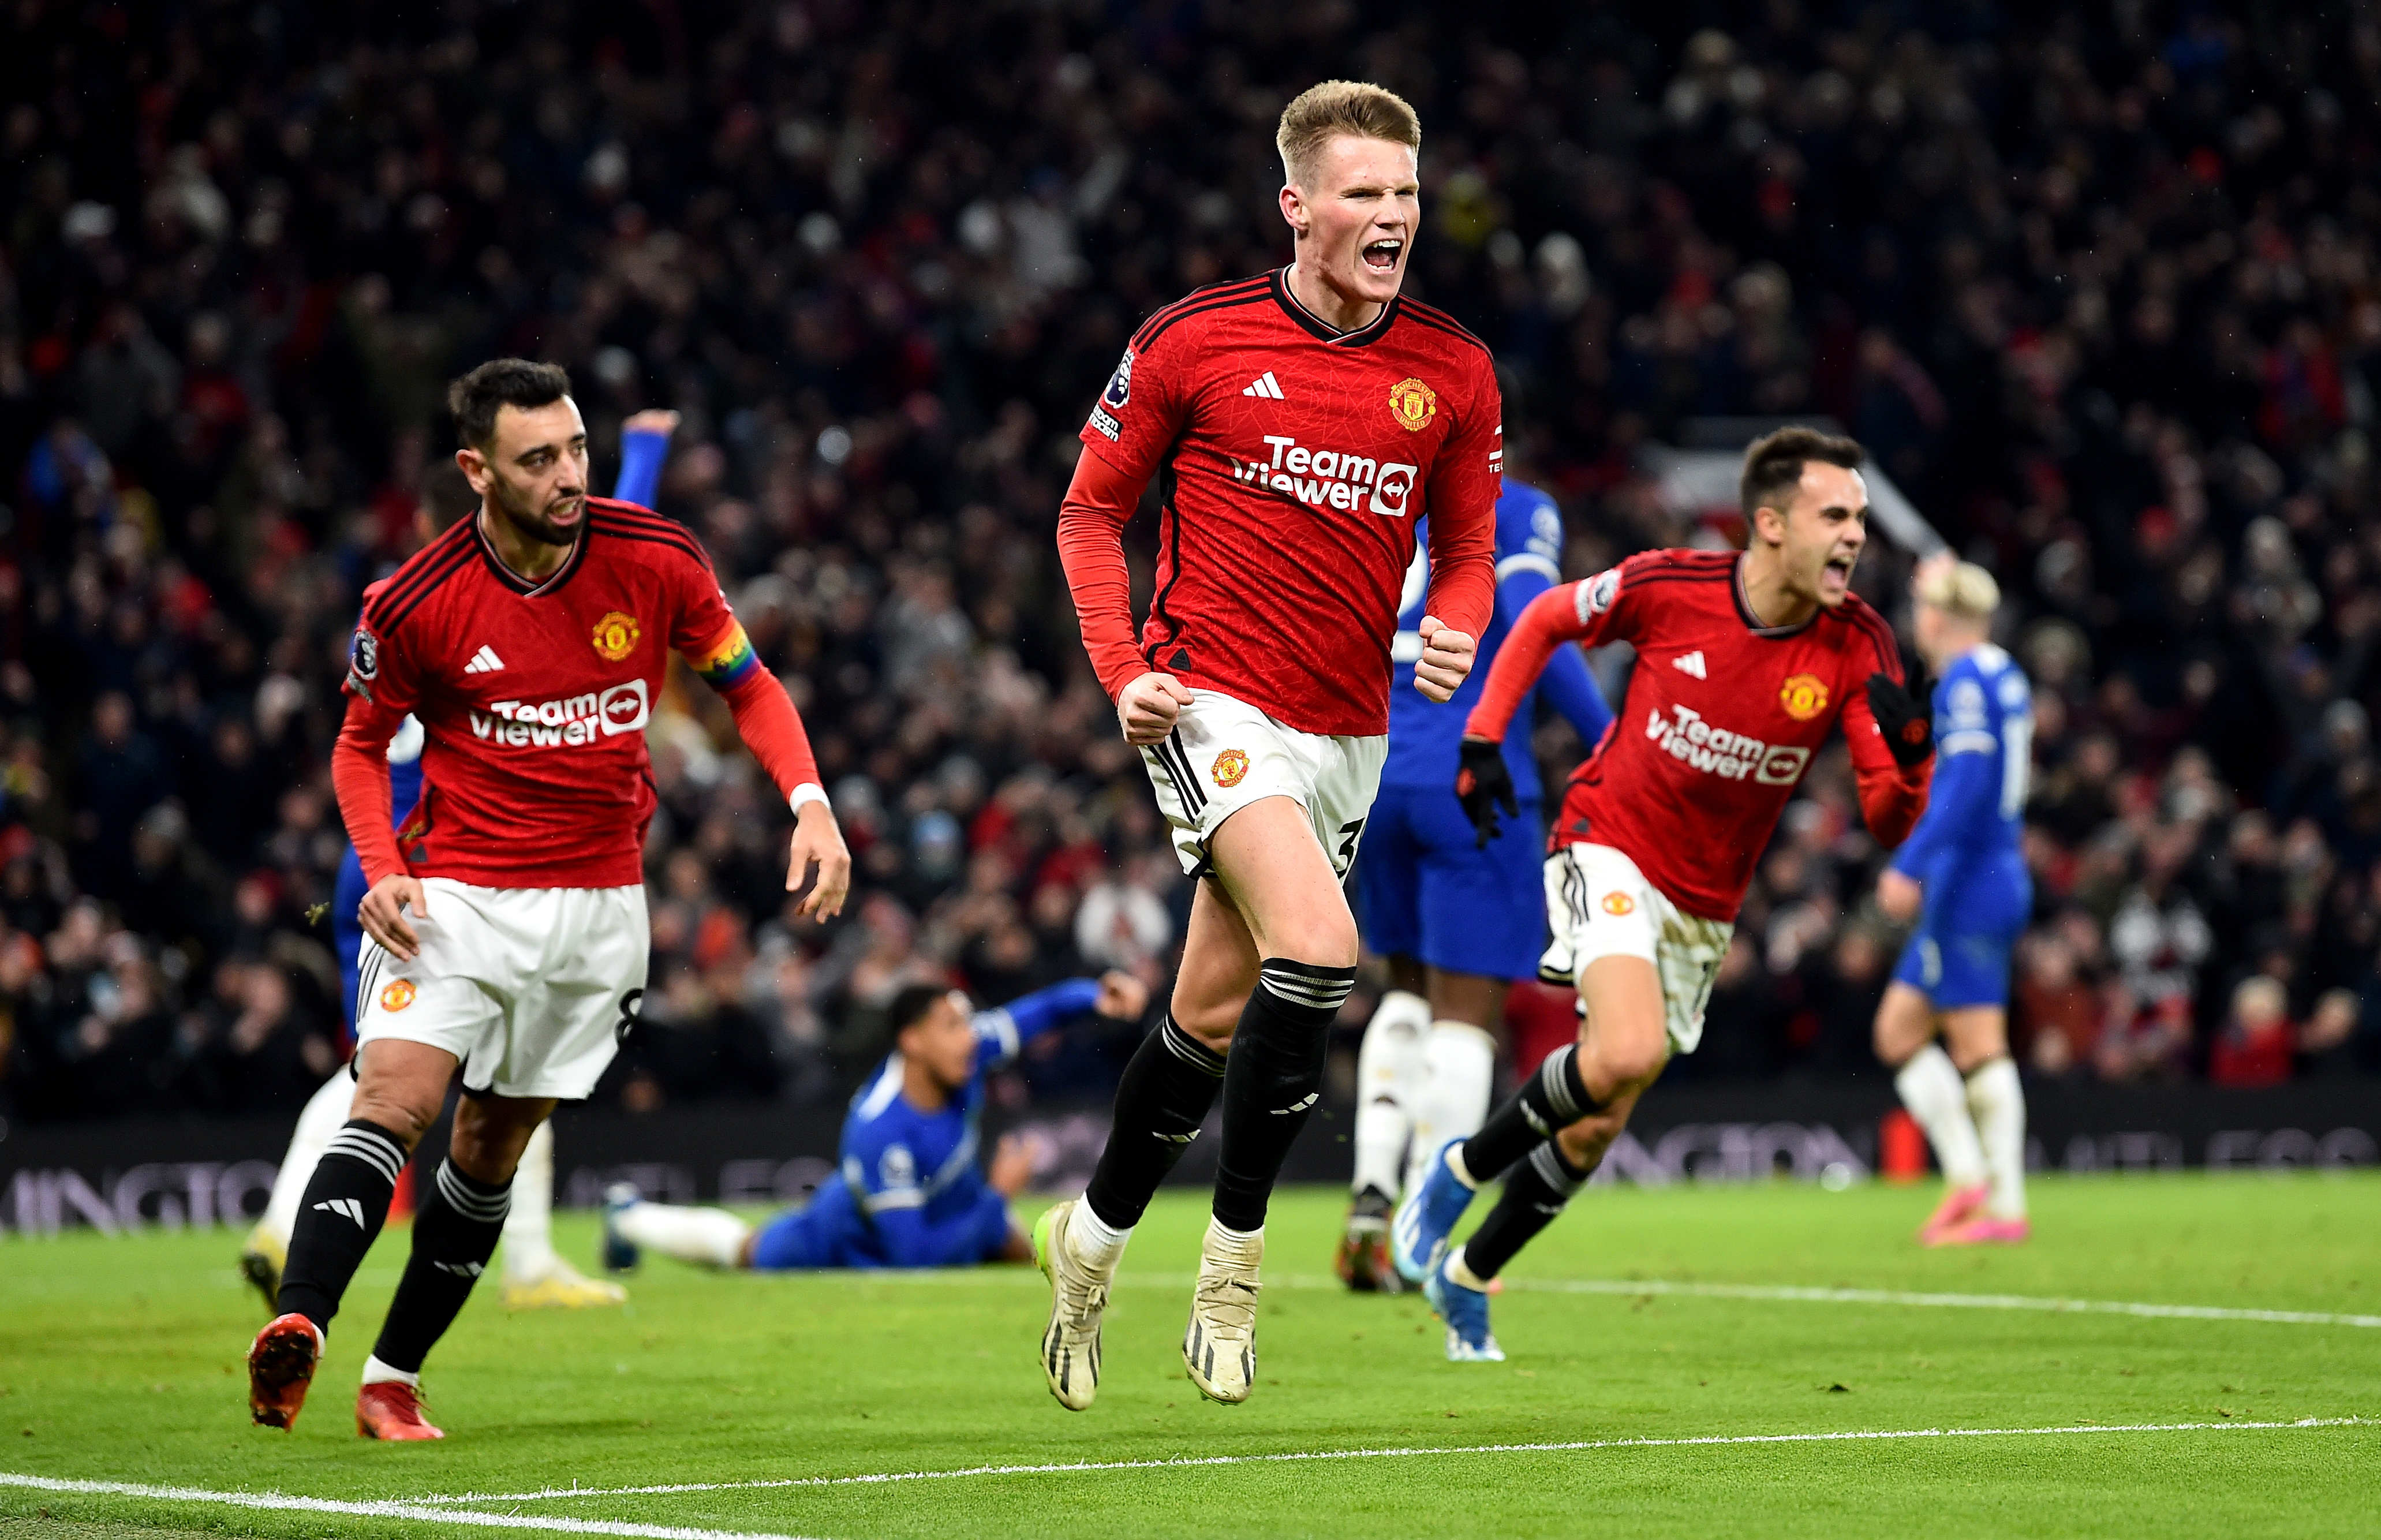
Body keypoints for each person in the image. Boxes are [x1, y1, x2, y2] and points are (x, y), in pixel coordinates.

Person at [245, 362, 849, 1441]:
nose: (570, 474)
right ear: (477, 469)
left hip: (599, 910)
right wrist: (382, 864)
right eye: (540, 459)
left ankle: (392, 1376)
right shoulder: (417, 600)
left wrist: (809, 801)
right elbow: (357, 745)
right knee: (392, 1098)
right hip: (458, 895)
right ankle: (302, 1316)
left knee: (490, 1146)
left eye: (577, 448)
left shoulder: (655, 557)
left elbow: (746, 683)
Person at [1040, 79, 1497, 1407]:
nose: (1392, 216)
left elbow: (1467, 548)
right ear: (1296, 206)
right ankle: (1234, 1270)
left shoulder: (1453, 369)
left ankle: (1093, 1233)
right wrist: (1123, 671)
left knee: (1207, 1011)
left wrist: (1458, 626)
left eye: (1405, 194)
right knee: (1323, 948)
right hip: (1209, 703)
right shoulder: (1194, 342)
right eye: (1364, 192)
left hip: (1350, 725)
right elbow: (1085, 517)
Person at [1395, 426, 1935, 1361]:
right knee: (1627, 1047)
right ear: (1769, 524)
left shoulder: (1859, 644)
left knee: (1603, 1110)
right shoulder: (1671, 586)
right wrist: (1484, 736)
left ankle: (1470, 1273)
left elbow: (1890, 819)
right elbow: (1542, 619)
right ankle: (1453, 1174)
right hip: (1607, 839)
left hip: (1704, 901)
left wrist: (1913, 758)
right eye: (1834, 514)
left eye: (1861, 517)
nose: (1856, 534)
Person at [237, 410, 683, 1316]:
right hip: (455, 869)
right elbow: (611, 564)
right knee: (489, 1065)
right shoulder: (474, 602)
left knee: (411, 1066)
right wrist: (646, 454)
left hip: (378, 867)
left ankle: (292, 1224)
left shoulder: (400, 596)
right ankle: (510, 1261)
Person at [1340, 456, 1611, 1291]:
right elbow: (1533, 612)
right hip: (1473, 784)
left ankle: (1370, 1194)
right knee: (1467, 1014)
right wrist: (1610, 739)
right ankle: (1421, 1227)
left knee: (1404, 992)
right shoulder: (1517, 507)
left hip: (1371, 775)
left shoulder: (1379, 495)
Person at [599, 973, 1150, 1272]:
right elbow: (912, 1260)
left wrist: (1095, 995)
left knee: (1033, 1261)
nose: (971, 1037)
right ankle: (628, 1217)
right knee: (746, 1254)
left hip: (945, 1204)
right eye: (952, 1026)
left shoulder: (967, 1052)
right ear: (911, 1041)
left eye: (966, 1024)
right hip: (849, 1237)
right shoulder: (879, 1128)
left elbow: (1043, 1011)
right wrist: (997, 1198)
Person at [1871, 557, 2035, 1245]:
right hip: (1994, 873)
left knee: (1978, 1043)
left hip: (1970, 880)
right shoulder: (2005, 671)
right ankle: (1971, 1177)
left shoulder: (1966, 679)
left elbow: (1965, 784)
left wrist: (1911, 864)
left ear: (1936, 618)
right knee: (1898, 1032)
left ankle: (2002, 1205)